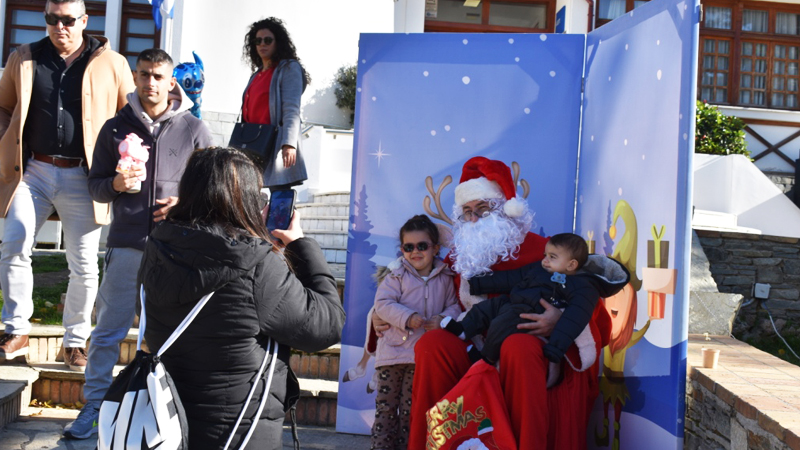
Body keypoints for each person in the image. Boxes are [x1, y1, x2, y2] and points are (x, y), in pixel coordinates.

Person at [384, 156, 612, 450]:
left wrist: (559, 318)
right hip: (474, 342)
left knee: (518, 346)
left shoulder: (545, 253)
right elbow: (424, 290)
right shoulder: (461, 256)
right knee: (433, 345)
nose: (474, 219)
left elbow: (588, 301)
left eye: (482, 209)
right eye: (467, 212)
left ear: (505, 209)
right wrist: (381, 314)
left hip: (527, 342)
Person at [139, 147, 345, 450]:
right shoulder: (256, 266)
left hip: (167, 426)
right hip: (237, 433)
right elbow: (327, 325)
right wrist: (300, 246)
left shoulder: (158, 248)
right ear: (243, 199)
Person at [62, 48, 213, 440]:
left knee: (173, 335)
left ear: (171, 81)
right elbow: (95, 186)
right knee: (107, 331)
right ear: (135, 77)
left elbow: (212, 190)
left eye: (158, 76)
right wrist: (115, 183)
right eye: (144, 74)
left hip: (176, 250)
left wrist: (184, 203)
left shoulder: (195, 129)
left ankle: (170, 413)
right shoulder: (115, 127)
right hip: (126, 245)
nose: (150, 82)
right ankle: (96, 407)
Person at [0, 0, 134, 368]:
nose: (60, 26)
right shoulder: (24, 58)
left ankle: (74, 341)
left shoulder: (113, 63)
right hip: (33, 170)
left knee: (85, 263)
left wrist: (122, 159)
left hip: (84, 176)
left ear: (84, 21)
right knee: (14, 243)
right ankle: (16, 330)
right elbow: (3, 107)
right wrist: (5, 139)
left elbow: (129, 116)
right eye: (52, 19)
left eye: (68, 20)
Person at [442, 233, 628, 386]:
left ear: (571, 264)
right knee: (487, 307)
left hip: (529, 313)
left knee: (501, 323)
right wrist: (477, 284)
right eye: (545, 255)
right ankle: (464, 329)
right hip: (513, 302)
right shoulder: (540, 269)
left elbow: (575, 318)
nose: (545, 261)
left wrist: (556, 347)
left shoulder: (583, 286)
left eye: (552, 257)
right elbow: (512, 277)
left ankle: (486, 360)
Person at [371, 215, 461, 450]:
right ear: (402, 250)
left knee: (410, 410)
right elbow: (383, 304)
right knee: (386, 409)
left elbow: (454, 306)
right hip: (392, 355)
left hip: (420, 358)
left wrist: (442, 320)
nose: (415, 252)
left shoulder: (445, 277)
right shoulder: (396, 275)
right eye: (408, 247)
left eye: (422, 246)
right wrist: (407, 317)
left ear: (435, 248)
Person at [241, 17, 309, 191]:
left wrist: (289, 143)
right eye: (258, 41)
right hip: (254, 142)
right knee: (248, 195)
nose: (262, 44)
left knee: (280, 197)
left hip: (276, 142)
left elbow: (291, 109)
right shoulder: (256, 75)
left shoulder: (289, 68)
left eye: (268, 40)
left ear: (278, 42)